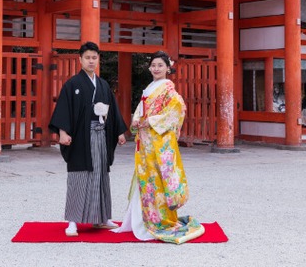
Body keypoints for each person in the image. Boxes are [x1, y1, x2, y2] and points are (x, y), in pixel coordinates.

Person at [116, 51, 205, 244]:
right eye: (153, 65)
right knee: (145, 179)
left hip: (159, 141)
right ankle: (139, 220)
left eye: (160, 65)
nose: (156, 68)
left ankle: (158, 220)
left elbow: (177, 108)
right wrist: (137, 120)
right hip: (146, 141)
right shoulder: (149, 88)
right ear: (149, 68)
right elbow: (141, 109)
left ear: (167, 68)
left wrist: (152, 121)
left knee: (157, 179)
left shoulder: (169, 89)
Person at [49, 41, 128, 237]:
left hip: (101, 135)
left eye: (94, 58)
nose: (91, 61)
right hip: (81, 138)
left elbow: (114, 111)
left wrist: (118, 131)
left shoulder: (103, 85)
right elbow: (64, 109)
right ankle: (73, 221)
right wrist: (63, 132)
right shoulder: (72, 84)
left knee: (101, 175)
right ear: (80, 60)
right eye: (87, 58)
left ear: (98, 59)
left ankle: (102, 218)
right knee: (79, 175)